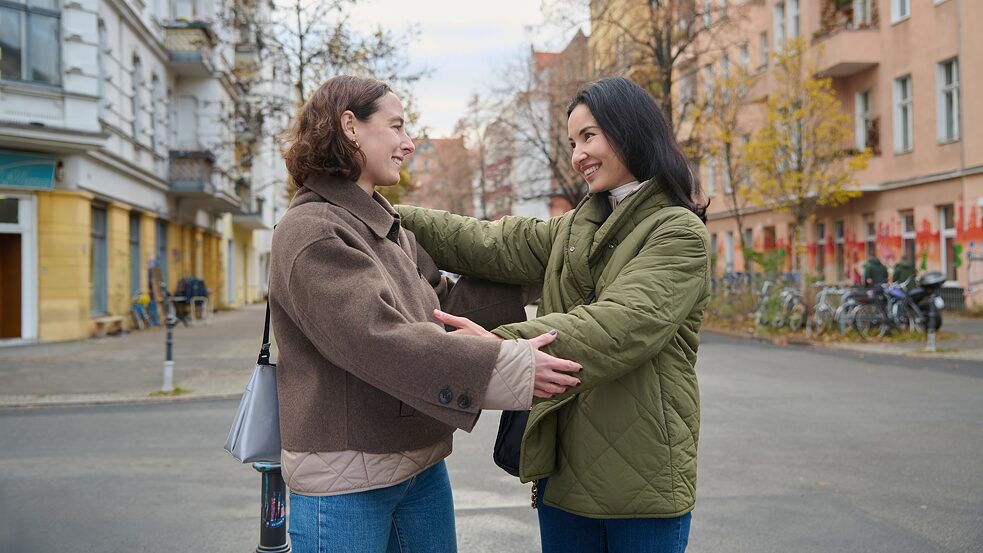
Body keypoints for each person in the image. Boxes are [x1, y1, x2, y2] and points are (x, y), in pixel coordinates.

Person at [268, 75, 583, 553]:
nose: (408, 143)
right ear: (350, 126)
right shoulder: (313, 231)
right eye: (395, 127)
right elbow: (376, 339)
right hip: (347, 482)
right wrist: (506, 364)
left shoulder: (385, 226)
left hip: (420, 466)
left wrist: (548, 267)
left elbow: (444, 310)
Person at [397, 77, 711, 553]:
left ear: (629, 131)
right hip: (563, 474)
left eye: (589, 136)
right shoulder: (576, 227)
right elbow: (485, 243)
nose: (577, 155)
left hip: (642, 485)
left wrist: (494, 345)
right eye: (571, 142)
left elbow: (615, 328)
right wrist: (377, 211)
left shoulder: (677, 232)